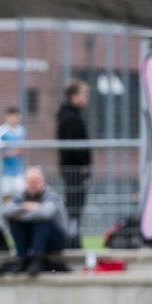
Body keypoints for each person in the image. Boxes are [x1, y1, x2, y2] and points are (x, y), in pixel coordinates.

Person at [0, 165, 69, 276]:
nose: (33, 184)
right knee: (15, 222)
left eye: (36, 181)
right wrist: (25, 206)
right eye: (30, 181)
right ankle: (22, 259)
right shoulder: (21, 196)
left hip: (55, 240)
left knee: (41, 221)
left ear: (43, 181)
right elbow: (4, 211)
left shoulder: (51, 196)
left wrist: (20, 215)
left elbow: (46, 213)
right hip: (32, 239)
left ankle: (37, 259)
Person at [56, 79, 92, 248]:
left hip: (74, 169)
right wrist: (83, 166)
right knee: (74, 207)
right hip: (74, 170)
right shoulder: (70, 118)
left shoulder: (72, 116)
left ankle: (74, 238)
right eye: (83, 94)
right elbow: (73, 148)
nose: (86, 99)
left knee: (75, 207)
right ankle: (72, 240)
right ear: (73, 96)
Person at [0, 106, 26, 201]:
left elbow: (22, 150)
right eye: (12, 116)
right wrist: (12, 153)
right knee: (5, 197)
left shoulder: (22, 131)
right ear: (6, 117)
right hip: (4, 172)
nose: (14, 119)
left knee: (20, 197)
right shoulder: (1, 132)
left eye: (16, 116)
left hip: (18, 171)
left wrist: (23, 152)